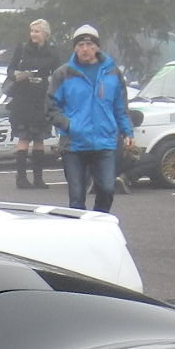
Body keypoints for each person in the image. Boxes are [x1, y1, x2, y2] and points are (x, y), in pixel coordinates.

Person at [46, 24, 133, 213]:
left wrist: (127, 132)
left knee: (107, 189)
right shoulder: (63, 74)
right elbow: (51, 108)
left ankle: (98, 223)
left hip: (105, 142)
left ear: (97, 47)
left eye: (89, 44)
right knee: (77, 197)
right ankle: (79, 229)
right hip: (74, 144)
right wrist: (70, 125)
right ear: (74, 48)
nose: (85, 49)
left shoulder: (112, 72)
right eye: (80, 45)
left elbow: (120, 107)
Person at [5, 18, 60, 189]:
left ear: (45, 34)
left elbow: (58, 74)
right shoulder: (22, 49)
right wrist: (18, 75)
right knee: (24, 137)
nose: (33, 34)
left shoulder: (53, 53)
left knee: (39, 139)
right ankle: (21, 178)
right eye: (32, 31)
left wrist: (47, 80)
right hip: (23, 99)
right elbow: (10, 70)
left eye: (37, 31)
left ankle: (38, 179)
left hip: (41, 99)